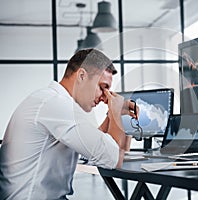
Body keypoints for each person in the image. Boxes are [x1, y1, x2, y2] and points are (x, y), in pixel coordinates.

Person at [0, 48, 138, 199]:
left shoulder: (51, 100)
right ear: (81, 75)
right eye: (102, 87)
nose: (105, 97)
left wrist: (115, 114)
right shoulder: (57, 105)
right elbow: (113, 158)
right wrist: (115, 112)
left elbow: (94, 144)